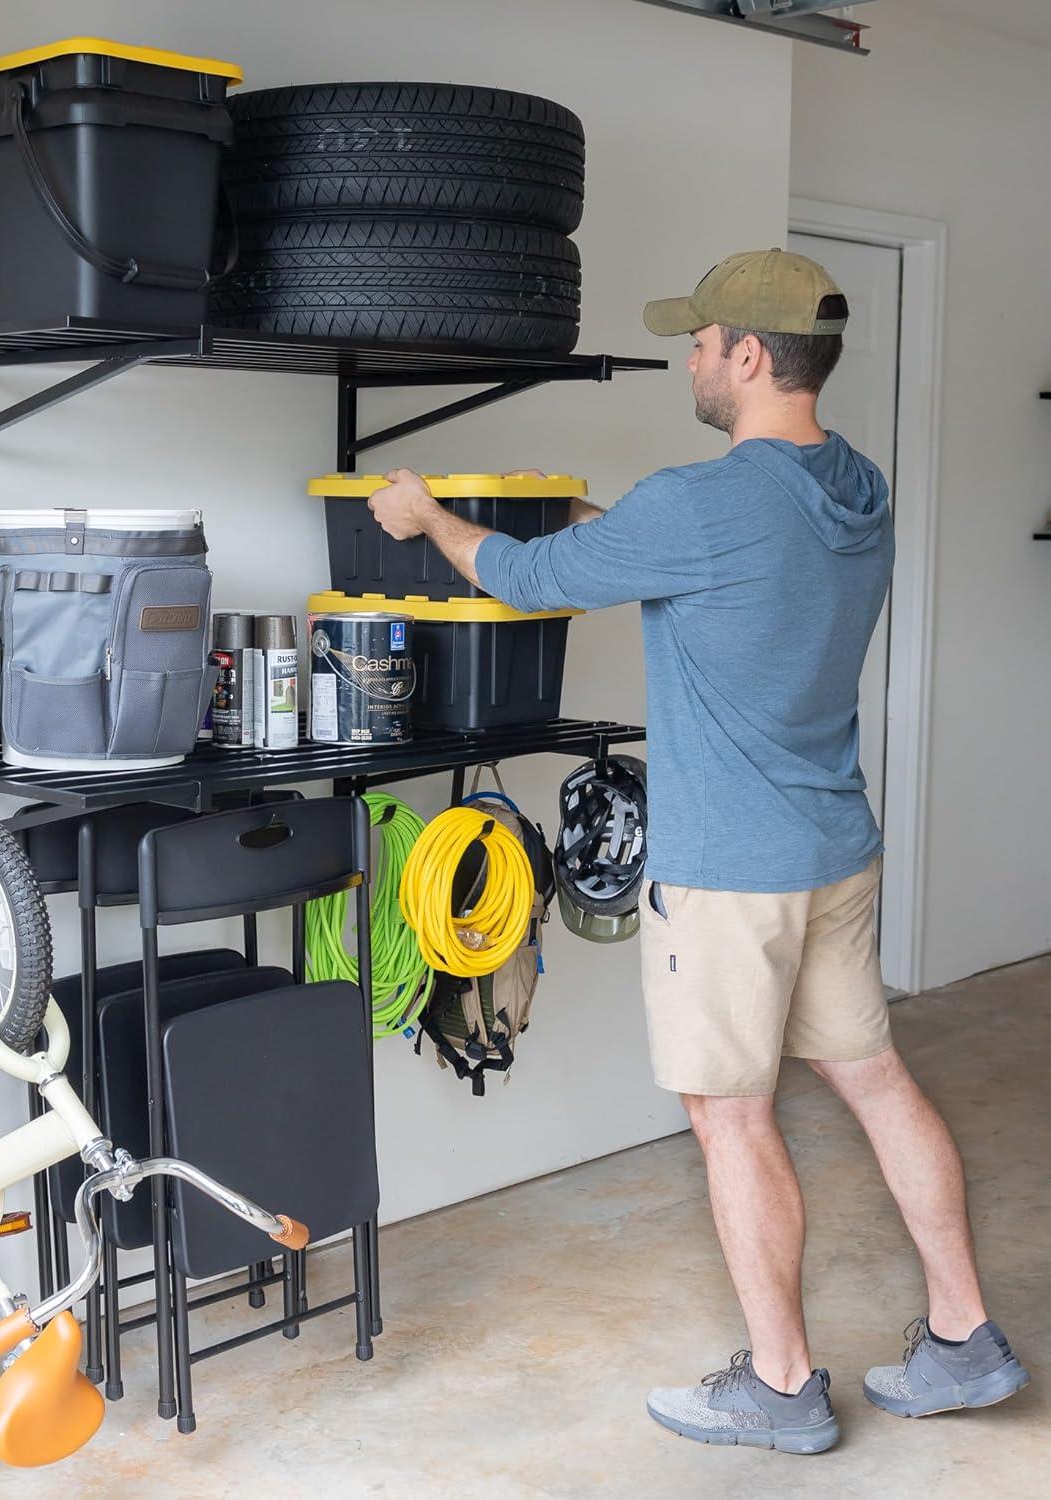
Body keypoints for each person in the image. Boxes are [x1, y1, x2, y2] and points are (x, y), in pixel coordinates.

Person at [365, 249, 1029, 1455]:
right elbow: (723, 571)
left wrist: (426, 518)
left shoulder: (698, 502)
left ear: (752, 355)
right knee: (874, 1078)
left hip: (729, 872)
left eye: (703, 341)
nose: (691, 359)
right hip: (834, 843)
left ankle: (780, 1387)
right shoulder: (858, 487)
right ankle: (963, 1337)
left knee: (729, 1113)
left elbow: (519, 579)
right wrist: (596, 523)